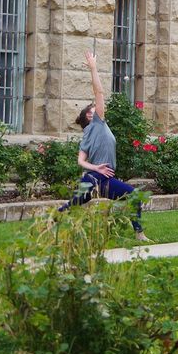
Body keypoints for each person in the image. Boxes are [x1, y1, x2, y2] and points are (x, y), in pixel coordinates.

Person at [60, 50, 149, 241]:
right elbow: (99, 91)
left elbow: (80, 160)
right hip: (95, 177)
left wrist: (94, 167)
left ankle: (139, 234)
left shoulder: (88, 133)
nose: (100, 108)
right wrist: (93, 68)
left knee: (132, 196)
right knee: (73, 204)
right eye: (95, 109)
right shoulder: (97, 124)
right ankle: (55, 223)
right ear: (91, 117)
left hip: (104, 178)